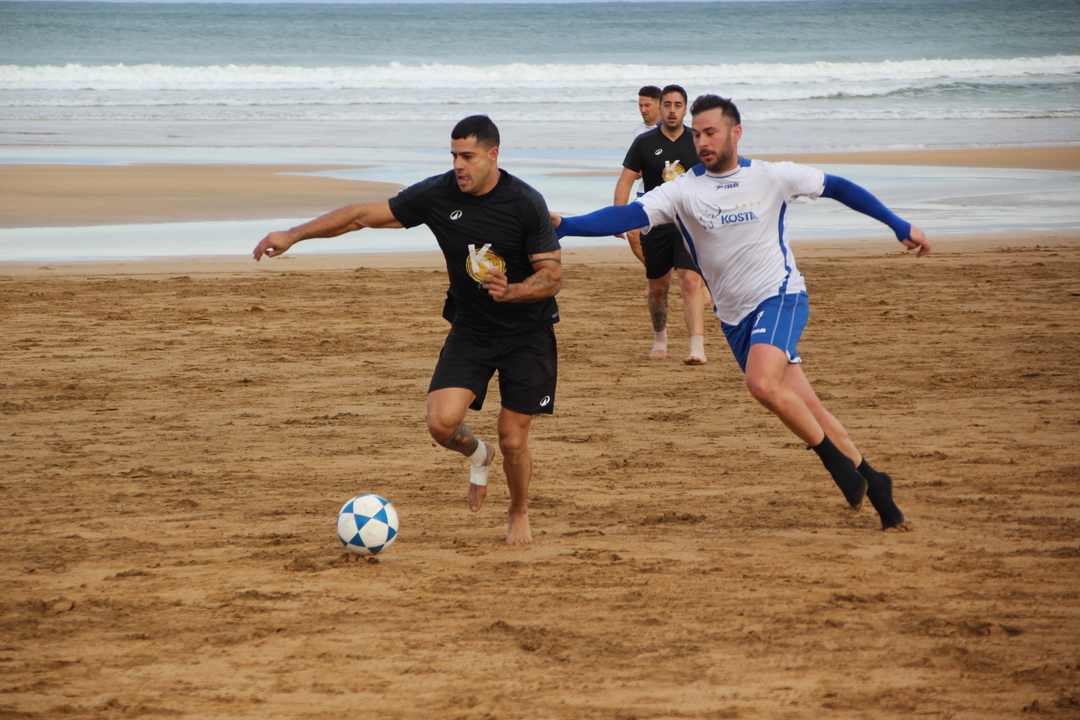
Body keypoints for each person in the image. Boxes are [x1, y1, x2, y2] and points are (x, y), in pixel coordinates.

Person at [552, 94, 931, 532]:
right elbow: (626, 214)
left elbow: (839, 187)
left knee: (761, 383)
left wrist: (897, 224)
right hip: (734, 318)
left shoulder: (771, 176)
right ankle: (876, 484)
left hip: (780, 296)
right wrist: (567, 225)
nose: (702, 142)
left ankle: (837, 466)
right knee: (807, 407)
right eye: (697, 134)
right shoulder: (682, 191)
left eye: (711, 133)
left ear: (736, 133)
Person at [252, 115, 562, 546]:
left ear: (493, 155)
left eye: (468, 156)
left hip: (526, 334)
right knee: (441, 424)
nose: (459, 165)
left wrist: (511, 292)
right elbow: (360, 217)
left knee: (513, 439)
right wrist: (293, 234)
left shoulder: (525, 202)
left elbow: (551, 277)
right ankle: (479, 455)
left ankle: (518, 511)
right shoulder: (438, 194)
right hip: (472, 330)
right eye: (454, 156)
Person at [613, 84, 708, 365]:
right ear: (661, 108)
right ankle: (660, 340)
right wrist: (618, 216)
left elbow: (717, 178)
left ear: (685, 109)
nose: (672, 110)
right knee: (657, 286)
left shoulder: (697, 140)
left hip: (690, 223)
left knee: (690, 279)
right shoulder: (644, 142)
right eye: (667, 105)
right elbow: (625, 181)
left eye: (678, 105)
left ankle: (697, 347)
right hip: (655, 223)